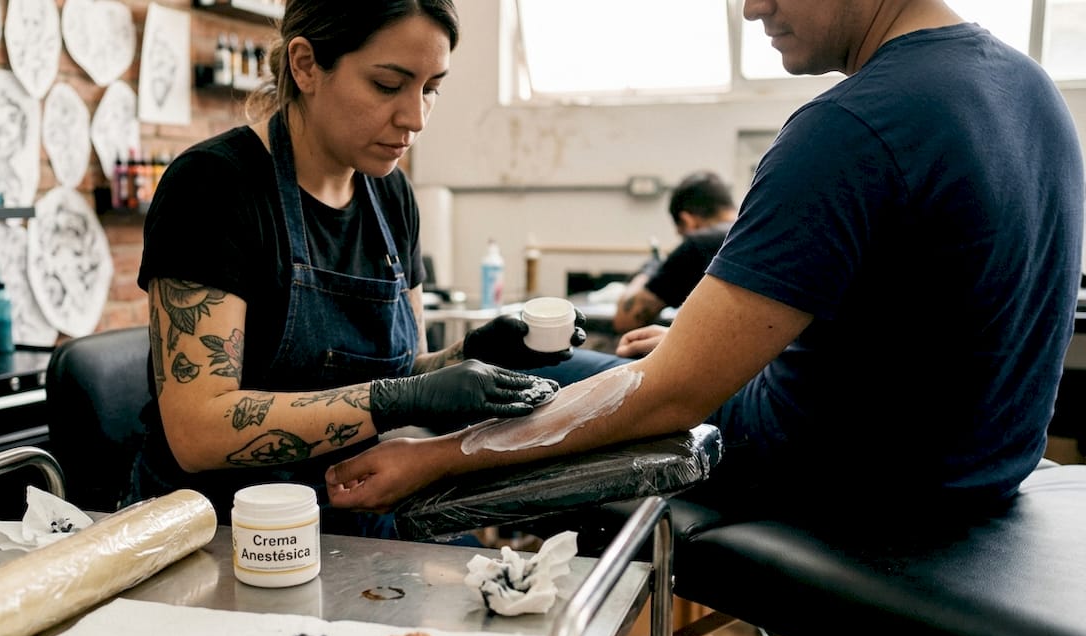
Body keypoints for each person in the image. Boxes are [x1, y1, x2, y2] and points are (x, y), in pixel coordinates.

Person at [325, 0, 1085, 526]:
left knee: (512, 377)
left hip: (840, 492)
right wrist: (714, 358)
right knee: (624, 362)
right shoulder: (1030, 88)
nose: (752, 9)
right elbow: (912, 334)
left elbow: (669, 401)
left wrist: (438, 456)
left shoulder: (849, 127)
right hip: (981, 477)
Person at [132, 0, 587, 533]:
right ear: (305, 66)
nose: (414, 118)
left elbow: (402, 376)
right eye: (387, 85)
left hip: (355, 512)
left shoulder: (391, 194)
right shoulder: (213, 188)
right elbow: (197, 432)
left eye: (431, 88)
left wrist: (472, 356)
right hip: (224, 530)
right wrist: (404, 396)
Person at [612, 171, 738, 335]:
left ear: (688, 220)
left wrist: (649, 270)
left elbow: (625, 320)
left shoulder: (698, 244)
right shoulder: (756, 234)